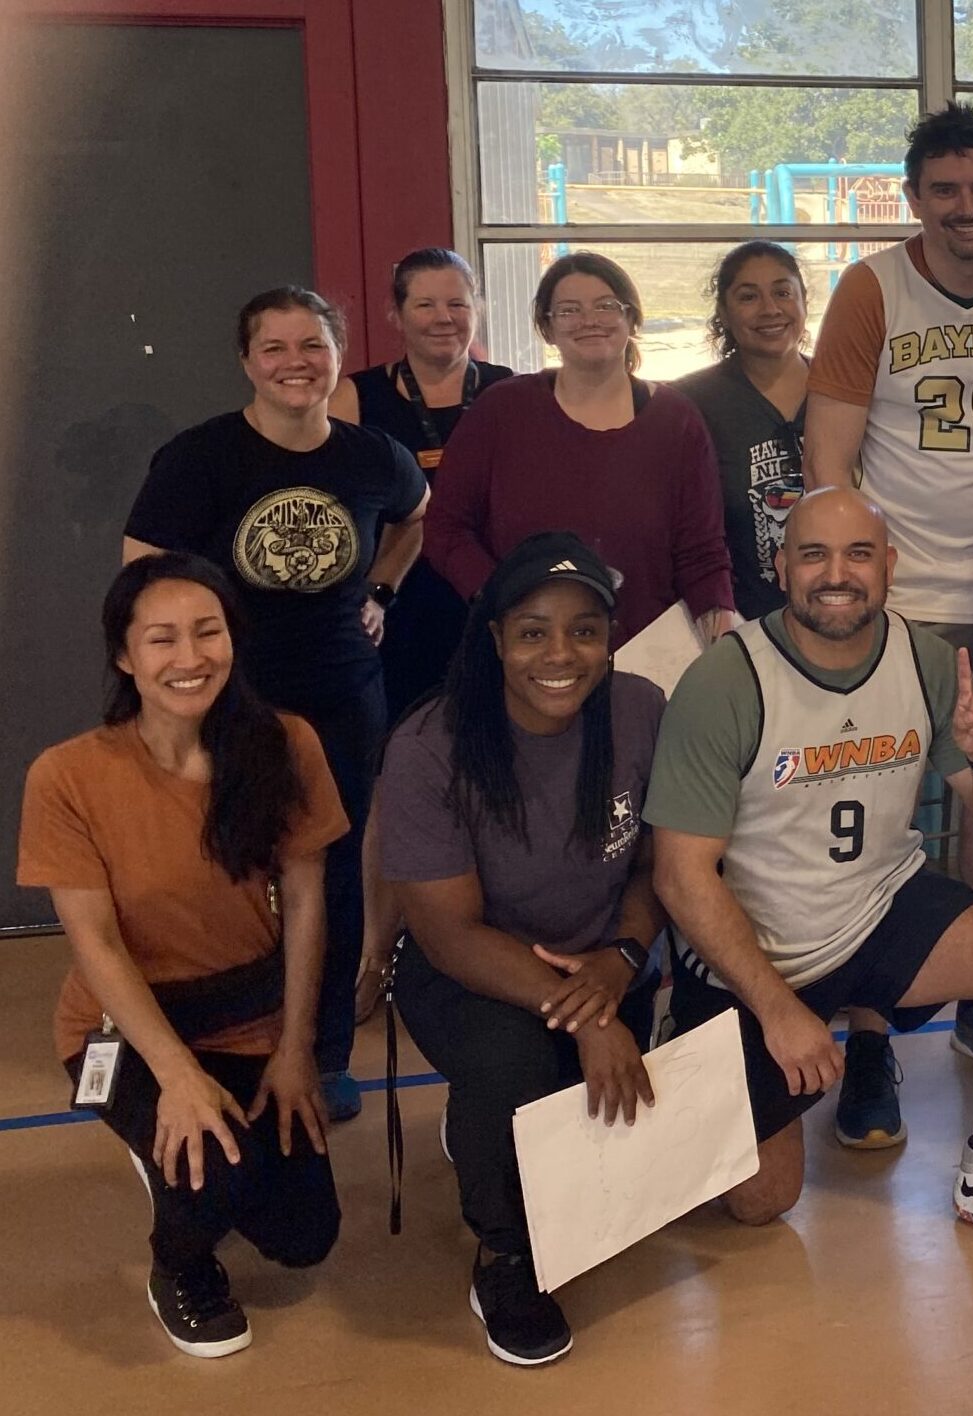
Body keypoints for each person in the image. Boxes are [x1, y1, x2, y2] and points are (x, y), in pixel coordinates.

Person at [647, 488, 973, 1265]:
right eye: (813, 554)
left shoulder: (922, 658)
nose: (836, 574)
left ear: (888, 565)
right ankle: (687, 1043)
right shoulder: (725, 680)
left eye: (857, 554)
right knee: (761, 1203)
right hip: (762, 943)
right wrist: (780, 1011)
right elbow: (682, 879)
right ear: (781, 567)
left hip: (881, 903)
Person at [800, 103, 973, 1101]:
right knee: (880, 801)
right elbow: (828, 455)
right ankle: (871, 1025)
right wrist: (851, 583)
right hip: (903, 595)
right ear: (915, 200)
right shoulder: (872, 288)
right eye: (946, 191)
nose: (967, 208)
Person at [18, 554, 347, 1357]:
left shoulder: (286, 745)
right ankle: (179, 1265)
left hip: (251, 1017)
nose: (190, 657)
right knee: (208, 1176)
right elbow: (92, 941)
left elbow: (306, 902)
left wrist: (298, 1049)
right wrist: (176, 1077)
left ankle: (187, 1161)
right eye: (161, 639)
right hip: (128, 1025)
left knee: (305, 1235)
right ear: (126, 657)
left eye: (208, 632)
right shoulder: (67, 775)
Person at [124, 286, 429, 1119]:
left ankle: (321, 1054)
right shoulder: (201, 459)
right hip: (229, 702)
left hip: (341, 698)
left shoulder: (372, 458)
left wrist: (381, 590)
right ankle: (213, 1052)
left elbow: (412, 520)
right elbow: (141, 575)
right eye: (276, 349)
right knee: (219, 873)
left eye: (313, 347)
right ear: (247, 362)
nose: (297, 364)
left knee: (326, 880)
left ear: (337, 354)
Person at [379, 534, 667, 1364]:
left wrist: (620, 959)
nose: (560, 654)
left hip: (602, 962)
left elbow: (653, 867)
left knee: (595, 1143)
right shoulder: (431, 746)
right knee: (514, 1073)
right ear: (497, 640)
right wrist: (585, 1018)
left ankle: (485, 1129)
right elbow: (447, 932)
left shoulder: (642, 710)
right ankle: (505, 1259)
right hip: (468, 973)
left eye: (584, 631)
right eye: (534, 631)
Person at [424, 251, 737, 652]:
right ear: (547, 328)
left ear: (631, 319)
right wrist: (501, 599)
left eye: (606, 306)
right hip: (525, 655)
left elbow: (702, 552)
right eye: (569, 310)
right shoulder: (501, 410)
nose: (589, 320)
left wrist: (721, 636)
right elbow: (446, 529)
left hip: (646, 654)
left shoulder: (676, 420)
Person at [332, 247, 519, 719]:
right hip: (394, 605)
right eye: (425, 305)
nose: (444, 318)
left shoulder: (512, 392)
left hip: (491, 600)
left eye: (457, 304)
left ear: (477, 309)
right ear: (395, 314)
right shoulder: (353, 398)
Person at [675, 240, 810, 625]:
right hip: (737, 625)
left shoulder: (844, 393)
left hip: (840, 617)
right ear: (724, 311)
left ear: (804, 300)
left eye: (783, 293)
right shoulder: (689, 405)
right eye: (748, 296)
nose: (770, 309)